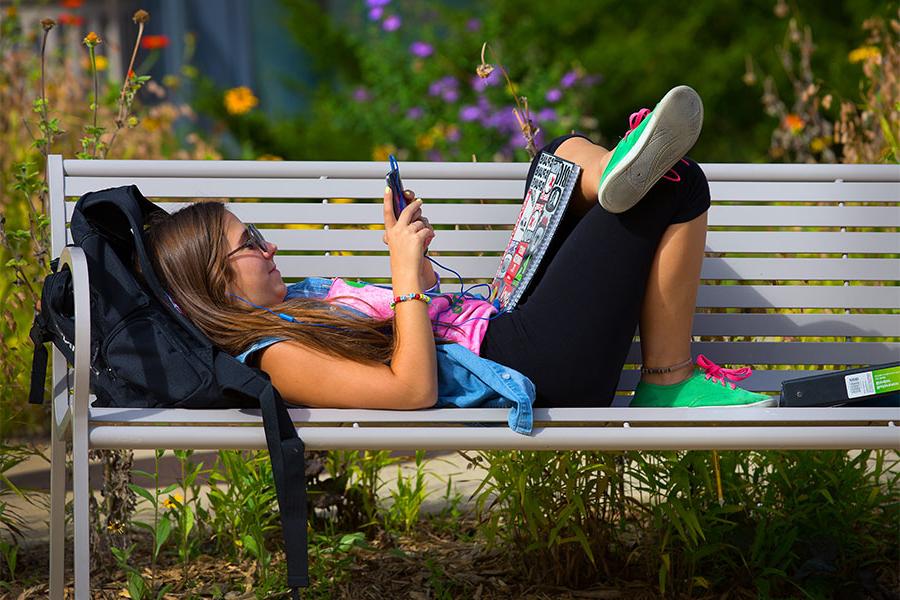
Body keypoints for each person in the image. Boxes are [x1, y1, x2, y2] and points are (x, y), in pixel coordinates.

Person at [145, 85, 774, 433]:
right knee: (679, 184)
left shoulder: (300, 298)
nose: (269, 245)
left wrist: (415, 269)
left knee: (555, 160)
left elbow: (400, 329)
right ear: (216, 285)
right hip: (529, 360)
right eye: (249, 242)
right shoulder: (273, 355)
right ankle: (666, 383)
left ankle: (617, 171)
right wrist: (403, 281)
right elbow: (412, 388)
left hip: (500, 324)